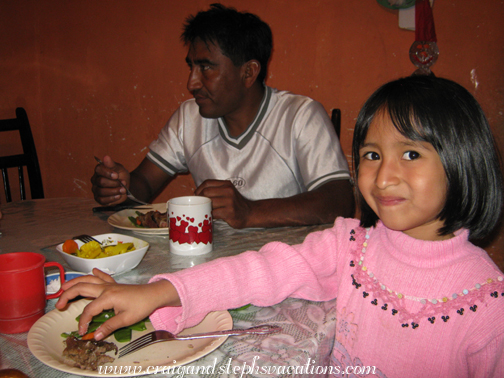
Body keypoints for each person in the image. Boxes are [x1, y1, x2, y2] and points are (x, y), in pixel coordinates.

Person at [58, 76, 504, 377]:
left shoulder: (488, 304)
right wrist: (155, 293)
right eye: (371, 155)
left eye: (410, 154)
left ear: (462, 159)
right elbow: (258, 270)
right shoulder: (351, 247)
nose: (383, 176)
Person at [92, 4, 354, 229]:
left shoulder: (300, 116)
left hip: (288, 272)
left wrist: (249, 212)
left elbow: (339, 201)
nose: (192, 82)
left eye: (206, 67)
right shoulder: (188, 118)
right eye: (191, 66)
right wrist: (118, 188)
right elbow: (144, 184)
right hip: (215, 265)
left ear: (249, 72)